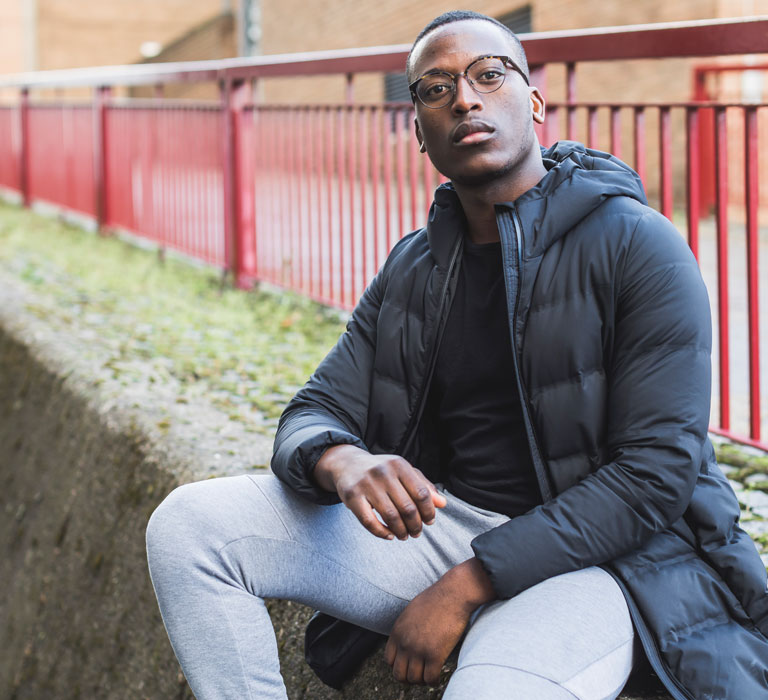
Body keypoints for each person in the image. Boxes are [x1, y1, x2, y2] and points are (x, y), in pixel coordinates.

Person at [146, 10, 768, 699]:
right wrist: (342, 460)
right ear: (418, 128)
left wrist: (468, 584)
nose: (464, 99)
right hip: (443, 527)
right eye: (434, 88)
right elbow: (317, 407)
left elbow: (656, 475)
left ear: (533, 102)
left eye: (487, 75)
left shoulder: (636, 244)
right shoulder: (416, 265)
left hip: (598, 562)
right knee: (189, 528)